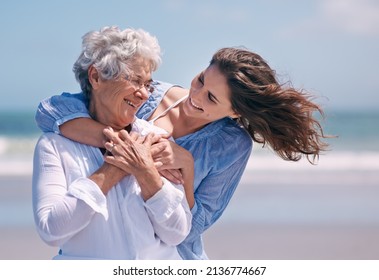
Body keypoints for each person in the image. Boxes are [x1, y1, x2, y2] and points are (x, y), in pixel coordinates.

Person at [35, 47, 329, 259]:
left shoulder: (231, 145)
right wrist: (125, 145)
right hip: (106, 246)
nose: (195, 96)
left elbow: (193, 227)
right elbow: (51, 111)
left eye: (211, 98)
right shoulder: (150, 96)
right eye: (201, 79)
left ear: (236, 111)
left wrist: (186, 169)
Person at [32, 26, 192, 260]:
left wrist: (147, 174)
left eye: (148, 84)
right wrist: (113, 170)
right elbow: (51, 231)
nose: (145, 94)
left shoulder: (155, 138)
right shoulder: (54, 146)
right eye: (135, 80)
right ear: (96, 77)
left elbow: (177, 233)